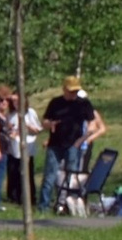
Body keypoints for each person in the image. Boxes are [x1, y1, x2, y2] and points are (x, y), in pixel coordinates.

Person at [37, 75, 106, 209]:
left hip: (73, 144)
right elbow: (44, 122)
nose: (73, 94)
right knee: (50, 176)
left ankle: (66, 204)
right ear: (64, 89)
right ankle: (43, 206)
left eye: (75, 91)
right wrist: (50, 124)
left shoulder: (83, 104)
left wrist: (82, 140)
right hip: (55, 144)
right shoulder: (55, 103)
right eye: (71, 91)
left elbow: (92, 122)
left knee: (71, 176)